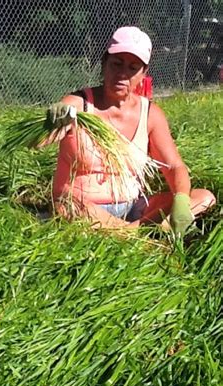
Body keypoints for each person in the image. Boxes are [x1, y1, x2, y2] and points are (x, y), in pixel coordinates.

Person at [45, 26, 216, 235]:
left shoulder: (150, 114)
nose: (123, 74)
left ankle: (125, 233)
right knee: (67, 206)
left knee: (204, 197)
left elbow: (174, 166)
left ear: (143, 74)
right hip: (84, 207)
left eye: (133, 67)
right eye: (117, 64)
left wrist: (180, 200)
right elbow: (40, 141)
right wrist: (52, 122)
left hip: (134, 207)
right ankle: (139, 234)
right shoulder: (77, 105)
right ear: (104, 63)